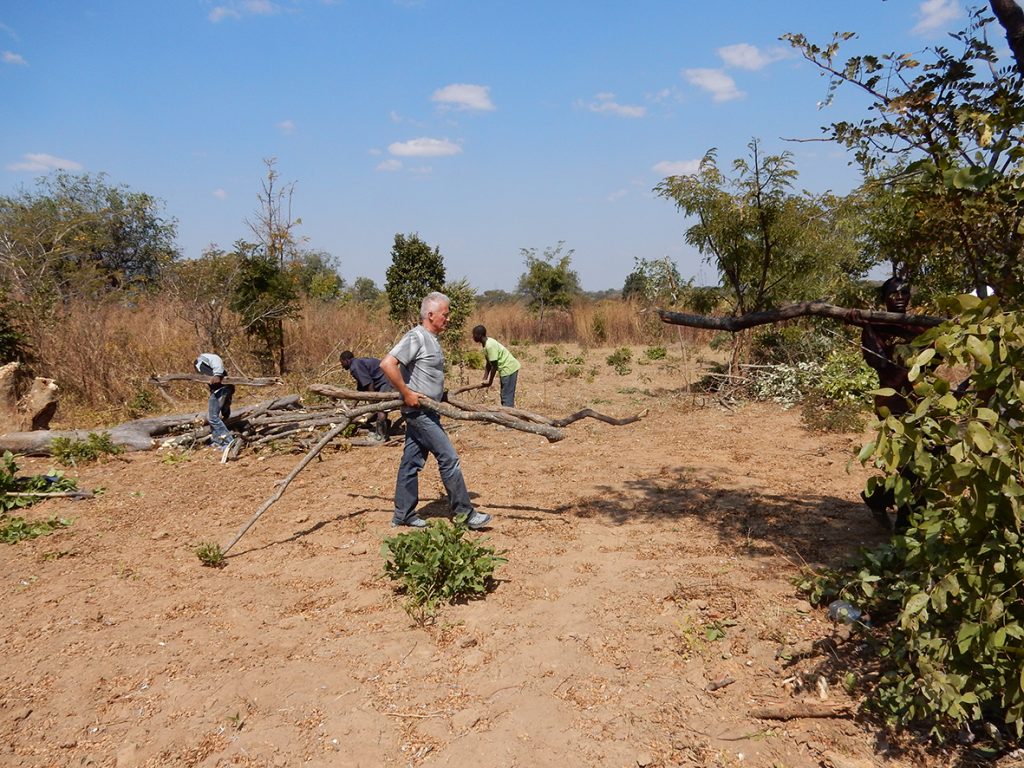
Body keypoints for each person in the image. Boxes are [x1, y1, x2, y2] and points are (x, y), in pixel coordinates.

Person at [380, 292, 492, 530]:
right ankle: (465, 513)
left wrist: (438, 393)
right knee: (449, 458)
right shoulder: (416, 336)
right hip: (419, 412)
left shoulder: (432, 339)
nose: (448, 319)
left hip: (428, 410)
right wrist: (406, 393)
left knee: (411, 463)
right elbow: (387, 364)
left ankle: (403, 514)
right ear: (430, 315)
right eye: (445, 314)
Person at [846, 277, 922, 531]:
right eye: (893, 293)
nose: (899, 297)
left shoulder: (919, 326)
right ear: (884, 298)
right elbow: (877, 361)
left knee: (928, 462)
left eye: (904, 292)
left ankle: (878, 499)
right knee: (909, 466)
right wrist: (867, 326)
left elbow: (935, 359)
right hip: (891, 405)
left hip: (921, 405)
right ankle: (906, 526)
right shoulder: (877, 326)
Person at [340, 351, 393, 440]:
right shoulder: (358, 363)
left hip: (386, 381)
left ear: (346, 360)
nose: (342, 365)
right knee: (378, 407)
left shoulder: (355, 367)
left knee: (381, 408)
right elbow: (361, 387)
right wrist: (353, 404)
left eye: (342, 362)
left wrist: (372, 400)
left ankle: (381, 436)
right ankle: (384, 426)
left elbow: (369, 384)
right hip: (385, 379)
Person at [472, 325, 521, 407]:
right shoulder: (485, 343)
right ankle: (506, 412)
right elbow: (489, 363)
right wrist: (484, 378)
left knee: (506, 397)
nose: (473, 337)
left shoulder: (489, 346)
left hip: (509, 368)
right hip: (506, 368)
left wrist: (490, 381)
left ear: (479, 335)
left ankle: (509, 414)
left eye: (474, 335)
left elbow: (494, 366)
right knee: (504, 395)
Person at [195, 352, 235, 449]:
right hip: (219, 390)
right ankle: (217, 441)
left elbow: (216, 359)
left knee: (212, 418)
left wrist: (217, 374)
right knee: (212, 417)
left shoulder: (202, 358)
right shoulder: (199, 366)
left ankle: (229, 441)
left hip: (222, 389)